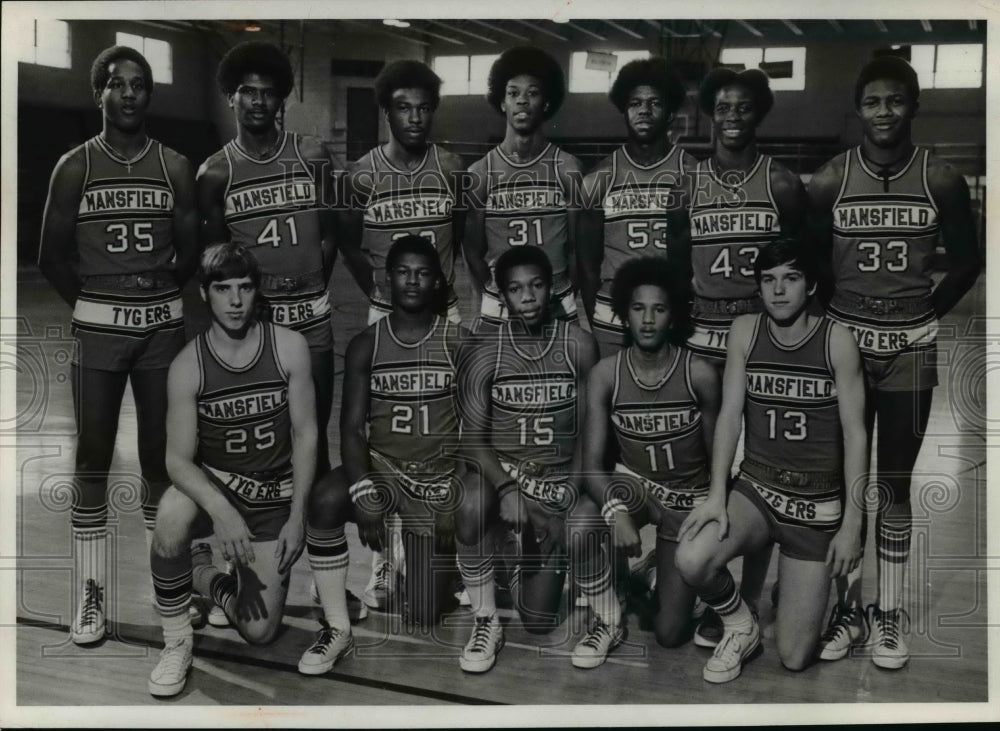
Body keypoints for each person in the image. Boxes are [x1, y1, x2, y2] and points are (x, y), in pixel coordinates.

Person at [806, 55, 981, 668]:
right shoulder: (830, 179)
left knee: (894, 485)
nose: (884, 112)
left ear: (914, 106)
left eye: (895, 101)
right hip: (847, 344)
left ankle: (890, 612)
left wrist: (926, 311)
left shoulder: (941, 178)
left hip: (910, 346)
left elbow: (968, 260)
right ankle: (848, 609)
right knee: (841, 481)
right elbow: (813, 264)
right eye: (872, 102)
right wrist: (837, 322)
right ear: (858, 109)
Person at [37, 45, 198, 645]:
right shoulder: (74, 166)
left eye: (139, 84)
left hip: (160, 327)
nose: (129, 93)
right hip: (100, 327)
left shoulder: (174, 166)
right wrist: (94, 304)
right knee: (93, 457)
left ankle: (168, 585)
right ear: (98, 93)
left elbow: (188, 252)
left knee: (161, 458)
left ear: (149, 94)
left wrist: (154, 295)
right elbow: (50, 256)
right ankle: (90, 591)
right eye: (117, 83)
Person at [674, 238, 867, 682]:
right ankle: (741, 624)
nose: (778, 290)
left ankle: (804, 593)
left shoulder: (837, 340)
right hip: (758, 489)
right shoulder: (745, 330)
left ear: (811, 285)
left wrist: (852, 524)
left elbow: (856, 435)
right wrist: (717, 495)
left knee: (795, 657)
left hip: (815, 503)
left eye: (791, 279)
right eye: (768, 280)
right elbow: (729, 416)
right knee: (692, 557)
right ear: (758, 287)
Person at [668, 67, 808, 644]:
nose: (731, 116)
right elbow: (676, 267)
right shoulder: (687, 185)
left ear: (759, 113)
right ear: (710, 112)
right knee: (709, 468)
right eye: (722, 106)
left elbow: (802, 264)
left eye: (743, 106)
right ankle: (713, 586)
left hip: (762, 339)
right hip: (704, 339)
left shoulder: (781, 182)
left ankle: (749, 595)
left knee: (760, 470)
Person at [147, 243, 317, 697]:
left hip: (272, 494)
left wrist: (297, 517)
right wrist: (221, 512)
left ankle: (203, 575)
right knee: (170, 517)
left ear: (257, 290)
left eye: (245, 287)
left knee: (259, 632)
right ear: (205, 293)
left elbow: (306, 435)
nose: (236, 300)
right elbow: (176, 460)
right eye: (223, 289)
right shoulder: (188, 365)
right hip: (218, 487)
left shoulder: (290, 347)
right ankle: (177, 641)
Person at [297, 235, 466, 675]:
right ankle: (337, 626)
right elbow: (352, 428)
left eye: (423, 273)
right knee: (325, 498)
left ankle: (427, 560)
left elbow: (474, 431)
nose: (412, 281)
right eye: (403, 272)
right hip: (384, 468)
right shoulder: (366, 344)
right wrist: (363, 486)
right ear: (387, 280)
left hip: (435, 478)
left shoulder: (459, 342)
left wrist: (455, 493)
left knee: (424, 614)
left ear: (438, 282)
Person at [455, 246, 625, 673]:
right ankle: (486, 619)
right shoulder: (484, 350)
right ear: (502, 296)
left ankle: (606, 614)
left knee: (537, 619)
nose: (527, 296)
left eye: (536, 286)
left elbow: (590, 434)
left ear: (552, 289)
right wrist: (506, 489)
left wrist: (570, 493)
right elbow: (472, 442)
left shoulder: (579, 344)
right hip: (509, 481)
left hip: (558, 482)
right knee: (469, 500)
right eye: (515, 289)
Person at [337, 59, 467, 611]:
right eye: (403, 107)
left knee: (446, 429)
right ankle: (385, 558)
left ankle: (453, 551)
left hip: (444, 317)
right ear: (385, 112)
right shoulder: (360, 175)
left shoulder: (452, 167)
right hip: (386, 313)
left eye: (423, 108)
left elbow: (462, 237)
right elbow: (347, 242)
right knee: (386, 432)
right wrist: (378, 287)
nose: (414, 117)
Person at [197, 40, 336, 478]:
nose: (258, 101)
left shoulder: (312, 154)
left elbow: (331, 231)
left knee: (315, 433)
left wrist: (314, 284)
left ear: (282, 100)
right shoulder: (216, 172)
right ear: (230, 96)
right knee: (268, 439)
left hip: (312, 314)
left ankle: (318, 521)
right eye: (248, 91)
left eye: (268, 92)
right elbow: (216, 261)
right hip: (258, 319)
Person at [581, 257, 719, 647]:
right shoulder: (606, 374)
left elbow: (718, 463)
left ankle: (657, 565)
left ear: (673, 317)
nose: (647, 319)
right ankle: (609, 613)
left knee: (670, 634)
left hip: (686, 501)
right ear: (624, 315)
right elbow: (591, 466)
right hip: (636, 489)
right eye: (638, 308)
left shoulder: (700, 374)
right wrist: (615, 512)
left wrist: (706, 522)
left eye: (658, 309)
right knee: (583, 520)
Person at [463, 46, 584, 332]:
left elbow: (578, 250)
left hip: (555, 300)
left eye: (532, 93)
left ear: (546, 103)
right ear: (502, 102)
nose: (522, 101)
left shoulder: (567, 168)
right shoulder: (480, 173)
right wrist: (493, 295)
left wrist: (565, 294)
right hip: (500, 303)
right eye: (513, 93)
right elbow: (472, 251)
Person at [579, 57, 691, 359]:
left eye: (655, 103)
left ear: (670, 113)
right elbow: (587, 265)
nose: (644, 110)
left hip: (669, 312)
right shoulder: (599, 179)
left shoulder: (693, 174)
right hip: (612, 316)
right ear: (624, 110)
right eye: (635, 103)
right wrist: (598, 319)